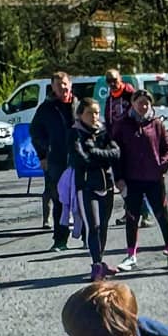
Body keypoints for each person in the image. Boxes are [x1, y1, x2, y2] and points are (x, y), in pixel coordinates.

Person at [112, 89, 168, 270]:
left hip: (154, 179)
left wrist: (162, 165)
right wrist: (118, 177)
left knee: (162, 216)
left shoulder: (157, 124)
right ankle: (131, 256)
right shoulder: (122, 125)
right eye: (139, 102)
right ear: (132, 104)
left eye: (146, 103)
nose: (143, 106)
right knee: (132, 217)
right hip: (131, 179)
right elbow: (115, 153)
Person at [68, 96, 122, 282]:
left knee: (105, 226)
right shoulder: (75, 134)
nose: (94, 117)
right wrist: (102, 157)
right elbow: (81, 160)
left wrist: (96, 153)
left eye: (97, 113)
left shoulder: (103, 132)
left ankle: (101, 261)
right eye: (90, 113)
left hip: (107, 185)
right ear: (80, 114)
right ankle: (96, 264)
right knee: (95, 226)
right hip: (86, 187)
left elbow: (116, 153)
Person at [30, 73, 76, 239]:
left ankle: (88, 239)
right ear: (53, 87)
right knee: (58, 198)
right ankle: (60, 239)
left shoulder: (79, 105)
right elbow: (35, 132)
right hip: (56, 159)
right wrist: (44, 153)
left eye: (64, 84)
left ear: (70, 84)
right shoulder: (46, 108)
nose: (62, 87)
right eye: (58, 85)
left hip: (79, 158)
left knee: (83, 198)